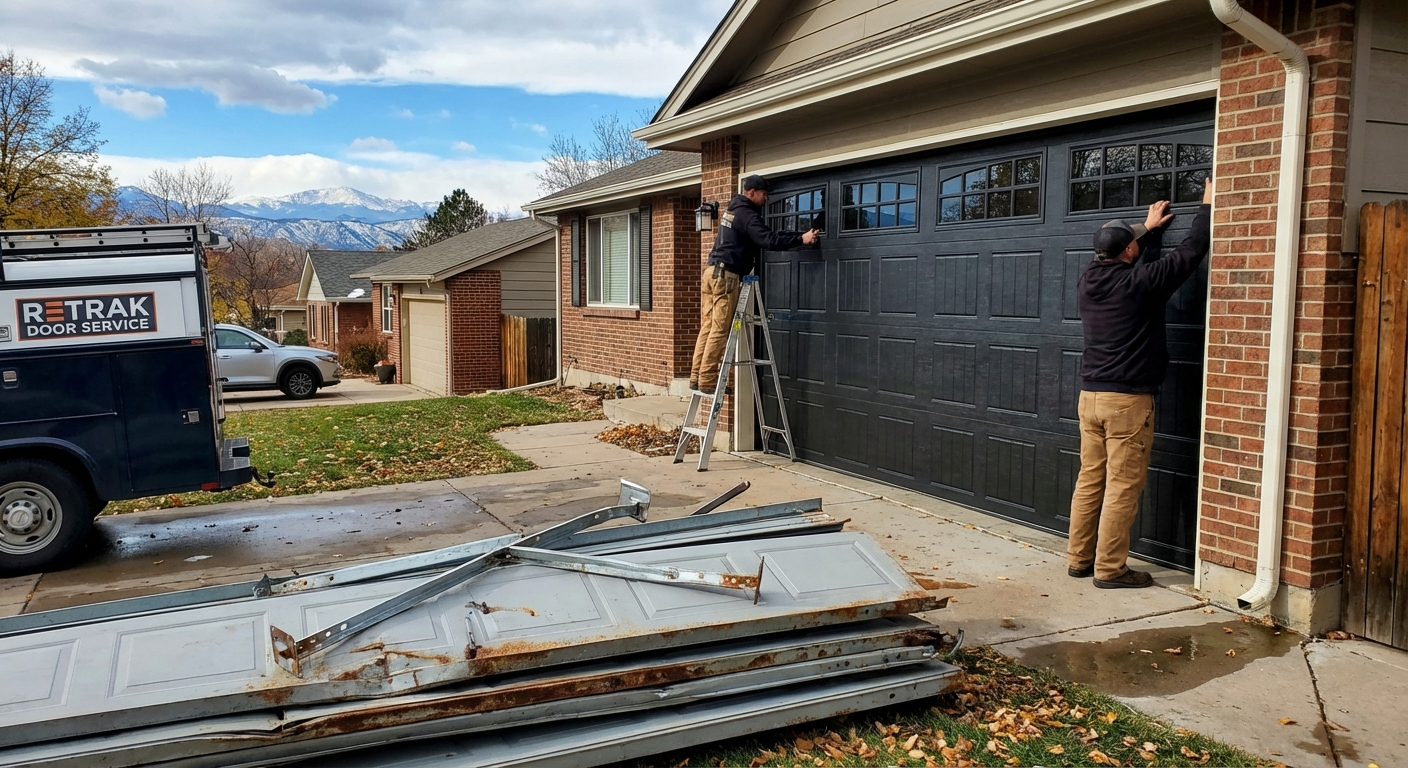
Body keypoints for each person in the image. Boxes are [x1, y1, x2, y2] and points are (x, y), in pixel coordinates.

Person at [1068, 178, 1212, 589]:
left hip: (1090, 397)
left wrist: (1147, 231)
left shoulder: (1088, 280)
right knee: (1122, 486)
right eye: (1133, 241)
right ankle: (1110, 570)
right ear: (1129, 252)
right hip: (1126, 403)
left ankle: (1079, 560)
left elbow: (1128, 258)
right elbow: (1191, 252)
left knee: (1090, 479)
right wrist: (1207, 205)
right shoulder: (1139, 284)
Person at [689, 174, 820, 392]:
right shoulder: (747, 214)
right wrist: (801, 238)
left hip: (711, 273)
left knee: (709, 327)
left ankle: (696, 376)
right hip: (727, 277)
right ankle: (708, 381)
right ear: (751, 192)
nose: (767, 198)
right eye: (764, 193)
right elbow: (768, 240)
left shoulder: (732, 210)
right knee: (720, 330)